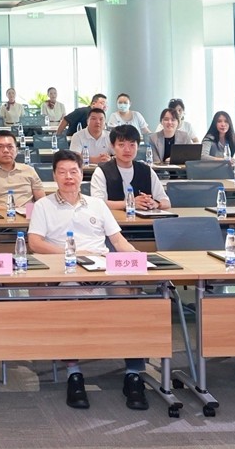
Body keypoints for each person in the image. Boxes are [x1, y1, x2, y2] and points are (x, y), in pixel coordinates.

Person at [26, 150, 152, 410]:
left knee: (131, 300)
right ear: (54, 176)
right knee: (71, 301)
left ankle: (133, 374)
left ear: (81, 174)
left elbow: (118, 241)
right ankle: (74, 373)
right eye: (62, 172)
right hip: (66, 271)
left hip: (102, 270)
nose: (68, 177)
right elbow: (35, 243)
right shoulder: (43, 206)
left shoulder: (97, 204)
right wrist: (72, 254)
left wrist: (140, 259)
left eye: (73, 171)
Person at [90, 125, 172, 212]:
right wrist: (130, 203)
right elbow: (98, 203)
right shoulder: (102, 171)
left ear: (138, 147)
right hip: (114, 219)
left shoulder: (146, 170)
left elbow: (166, 202)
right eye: (121, 145)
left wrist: (156, 204)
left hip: (143, 220)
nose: (127, 150)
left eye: (132, 145)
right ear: (112, 146)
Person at [0, 129, 45, 213]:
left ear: (16, 151)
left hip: (27, 217)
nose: (5, 150)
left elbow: (42, 200)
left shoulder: (29, 170)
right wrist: (9, 210)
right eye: (0, 146)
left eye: (10, 147)